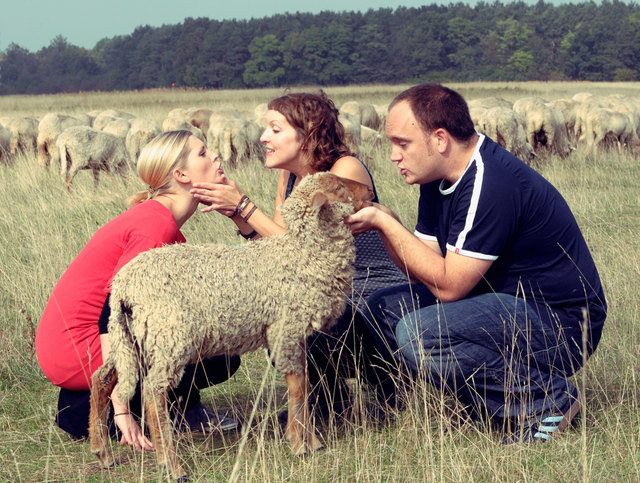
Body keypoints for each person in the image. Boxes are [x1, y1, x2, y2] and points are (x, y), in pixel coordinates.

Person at [344, 83, 607, 442]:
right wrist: (384, 221)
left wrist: (385, 223)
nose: (393, 156)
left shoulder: (490, 181)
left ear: (440, 139)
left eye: (401, 143)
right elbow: (422, 269)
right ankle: (467, 404)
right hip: (502, 306)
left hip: (562, 324)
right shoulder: (437, 180)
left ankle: (549, 400)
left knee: (420, 334)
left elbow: (449, 286)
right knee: (383, 308)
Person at [190, 91, 407, 420]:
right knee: (277, 310)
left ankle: (391, 395)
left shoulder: (343, 170)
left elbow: (305, 249)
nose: (264, 137)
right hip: (328, 290)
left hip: (373, 290)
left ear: (307, 134)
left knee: (308, 319)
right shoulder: (289, 176)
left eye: (275, 129)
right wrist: (236, 216)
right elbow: (281, 253)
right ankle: (327, 402)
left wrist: (245, 206)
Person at [36, 130, 241, 450]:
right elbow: (115, 311)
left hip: (74, 347)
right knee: (220, 354)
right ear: (181, 175)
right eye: (203, 153)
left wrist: (239, 212)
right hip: (77, 348)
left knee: (208, 327)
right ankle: (140, 411)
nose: (216, 156)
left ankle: (88, 404)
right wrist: (119, 408)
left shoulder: (159, 219)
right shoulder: (155, 226)